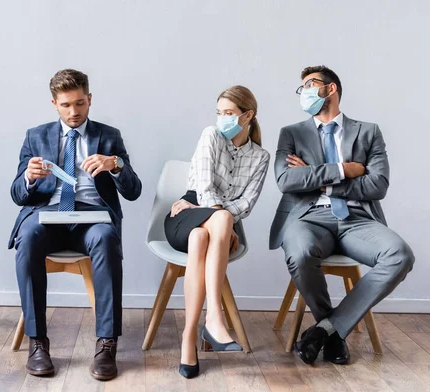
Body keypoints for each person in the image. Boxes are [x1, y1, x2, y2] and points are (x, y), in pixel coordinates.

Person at [270, 65, 415, 365]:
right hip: (308, 217)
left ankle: (325, 330)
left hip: (357, 220)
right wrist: (343, 170)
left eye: (310, 84)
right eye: (302, 88)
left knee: (400, 255)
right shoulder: (292, 134)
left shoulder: (368, 131)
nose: (305, 92)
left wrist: (320, 180)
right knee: (299, 252)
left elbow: (378, 185)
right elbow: (286, 180)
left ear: (331, 88)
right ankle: (334, 331)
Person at [9, 69, 142, 381]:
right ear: (54, 103)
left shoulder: (109, 136)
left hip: (91, 217)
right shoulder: (35, 136)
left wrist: (116, 165)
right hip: (48, 216)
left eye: (80, 103)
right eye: (66, 105)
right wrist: (29, 178)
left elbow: (134, 191)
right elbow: (16, 194)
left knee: (107, 237)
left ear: (90, 99)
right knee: (27, 238)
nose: (74, 112)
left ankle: (107, 343)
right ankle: (37, 341)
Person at [164, 85, 270, 378]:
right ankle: (214, 319)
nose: (222, 118)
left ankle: (188, 339)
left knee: (202, 237)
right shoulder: (211, 135)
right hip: (186, 213)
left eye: (229, 113)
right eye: (219, 112)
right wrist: (221, 216)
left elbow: (247, 204)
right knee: (216, 222)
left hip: (213, 225)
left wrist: (221, 217)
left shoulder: (260, 157)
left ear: (248, 115)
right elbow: (205, 188)